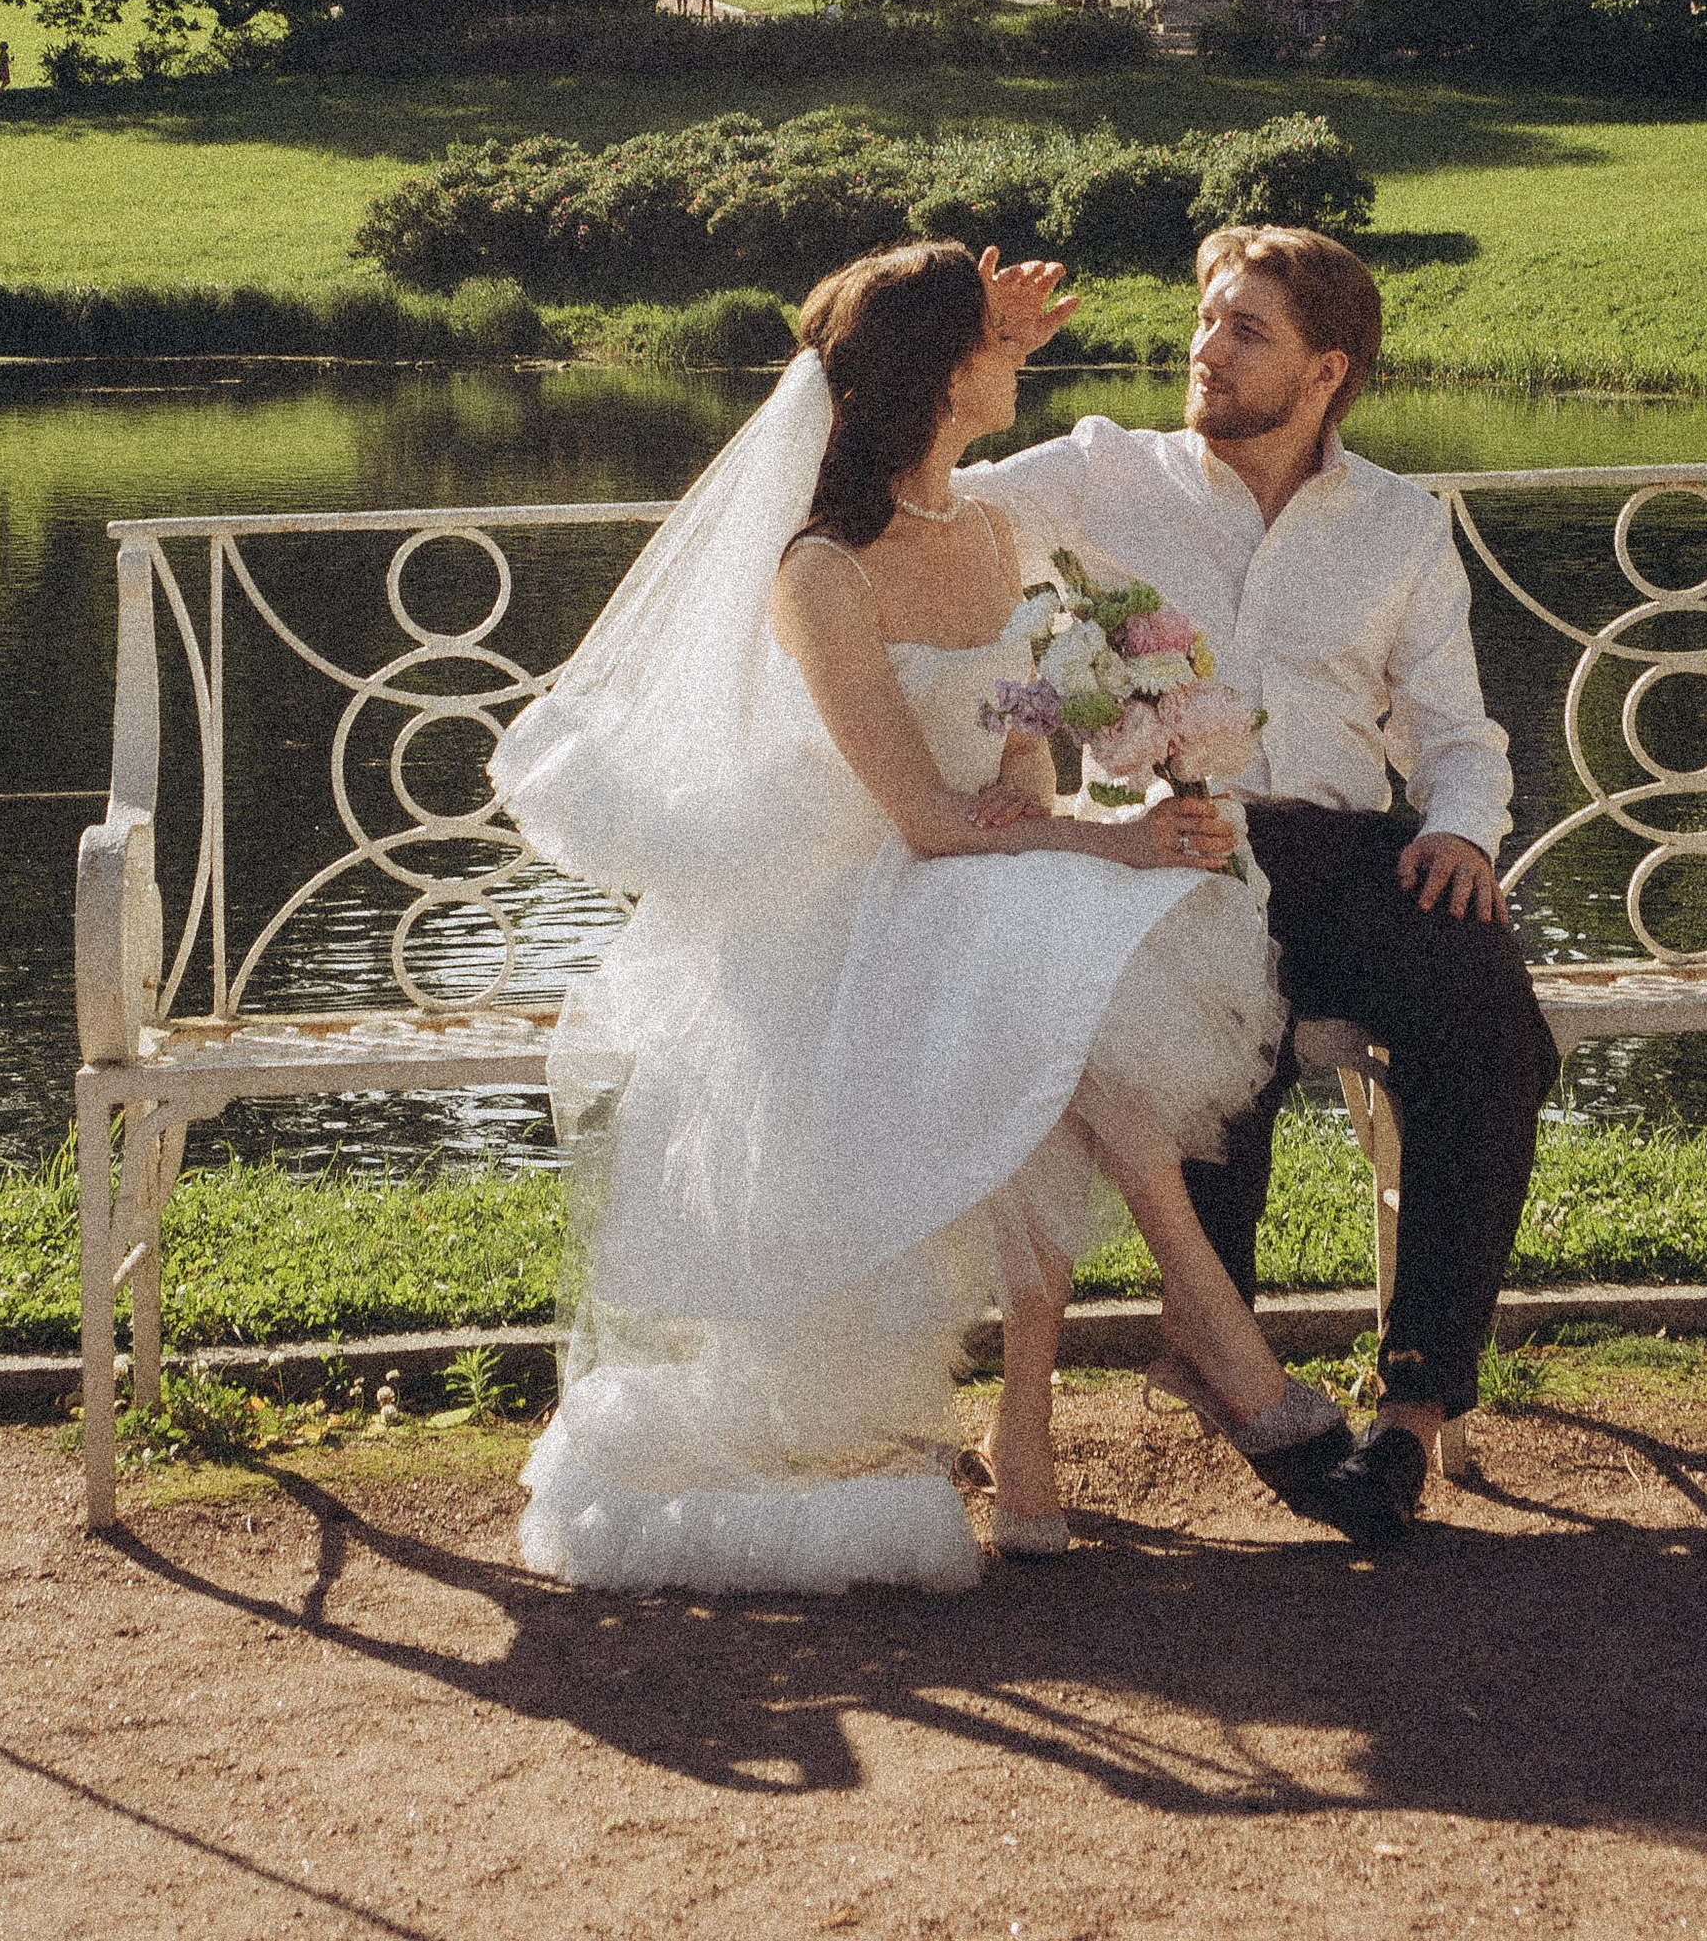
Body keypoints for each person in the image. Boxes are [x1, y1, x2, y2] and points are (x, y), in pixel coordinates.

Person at [493, 241, 1349, 1592]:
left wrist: (1101, 816)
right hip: (842, 911)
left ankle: (1047, 1419)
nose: (1020, 358)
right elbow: (921, 817)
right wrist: (1106, 843)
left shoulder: (994, 535)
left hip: (972, 880)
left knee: (1059, 965)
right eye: (992, 345)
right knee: (1054, 974)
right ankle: (1197, 1345)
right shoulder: (819, 570)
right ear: (943, 376)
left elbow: (1016, 760)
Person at [976, 228, 1559, 1544]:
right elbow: (920, 507)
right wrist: (985, 355)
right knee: (1210, 1021)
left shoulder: (1400, 523)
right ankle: (1215, 1339)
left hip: (1347, 855)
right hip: (1169, 854)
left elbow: (1455, 737)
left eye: (1247, 332)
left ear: (1325, 370)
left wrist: (1463, 833)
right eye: (1207, 319)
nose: (1207, 349)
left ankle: (1412, 1412)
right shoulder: (1101, 472)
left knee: (1490, 1023)